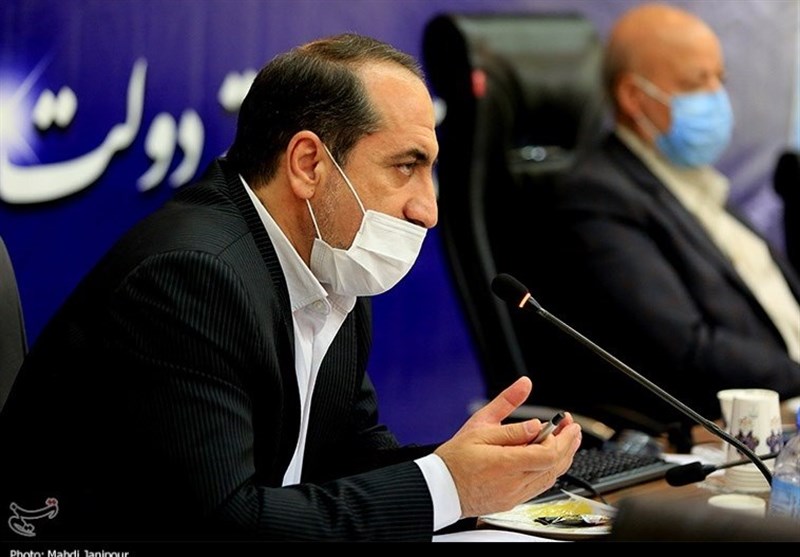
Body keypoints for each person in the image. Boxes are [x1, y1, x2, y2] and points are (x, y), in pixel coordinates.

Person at [0, 33, 581, 542]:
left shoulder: (330, 266)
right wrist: (446, 487)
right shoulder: (192, 278)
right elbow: (221, 525)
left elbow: (342, 463)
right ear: (308, 164)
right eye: (406, 166)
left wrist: (475, 471)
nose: (428, 210)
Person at [541, 3, 800, 438]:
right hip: (727, 428)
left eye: (720, 79)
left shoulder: (696, 182)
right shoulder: (598, 196)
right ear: (633, 97)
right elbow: (688, 350)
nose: (717, 97)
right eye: (697, 83)